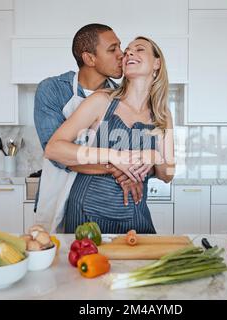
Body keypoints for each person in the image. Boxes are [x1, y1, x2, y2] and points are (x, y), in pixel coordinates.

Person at [45, 36, 175, 233]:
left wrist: (154, 156)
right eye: (128, 50)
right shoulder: (102, 101)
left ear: (157, 63)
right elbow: (54, 149)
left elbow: (168, 174)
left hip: (135, 212)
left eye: (139, 49)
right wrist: (115, 157)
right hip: (87, 212)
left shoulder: (162, 115)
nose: (129, 52)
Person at [34, 24, 145, 232]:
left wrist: (129, 166)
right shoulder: (52, 90)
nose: (122, 55)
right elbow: (57, 154)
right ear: (89, 59)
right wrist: (118, 167)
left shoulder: (120, 96)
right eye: (113, 50)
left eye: (120, 47)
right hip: (56, 194)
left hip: (97, 204)